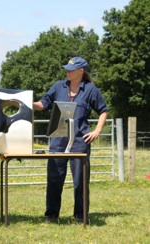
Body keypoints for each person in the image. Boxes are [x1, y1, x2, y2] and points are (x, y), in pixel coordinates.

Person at [33, 57, 108, 224]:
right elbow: (43, 104)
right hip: (57, 142)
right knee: (54, 179)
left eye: (71, 69)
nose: (67, 71)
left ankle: (81, 216)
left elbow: (103, 110)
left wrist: (97, 131)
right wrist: (28, 104)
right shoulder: (58, 86)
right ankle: (51, 215)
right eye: (66, 68)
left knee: (80, 182)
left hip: (80, 142)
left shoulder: (91, 90)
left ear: (81, 71)